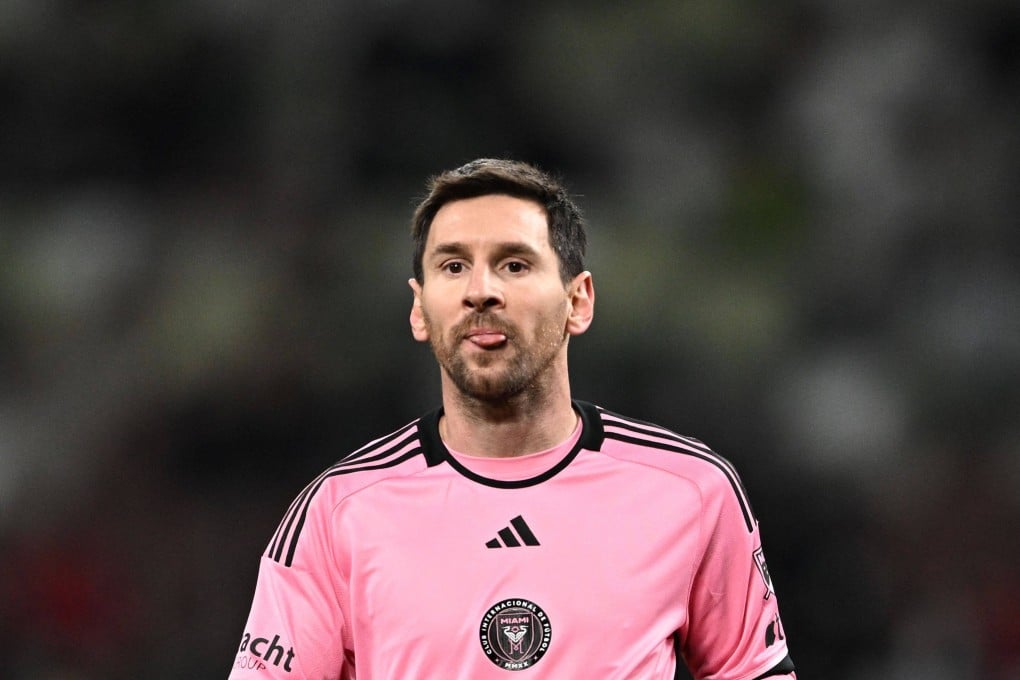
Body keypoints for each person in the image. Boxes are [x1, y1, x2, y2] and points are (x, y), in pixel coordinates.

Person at [229, 158, 796, 679]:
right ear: (419, 309)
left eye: (514, 264)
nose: (481, 291)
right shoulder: (339, 511)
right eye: (453, 266)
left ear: (579, 301)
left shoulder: (691, 490)